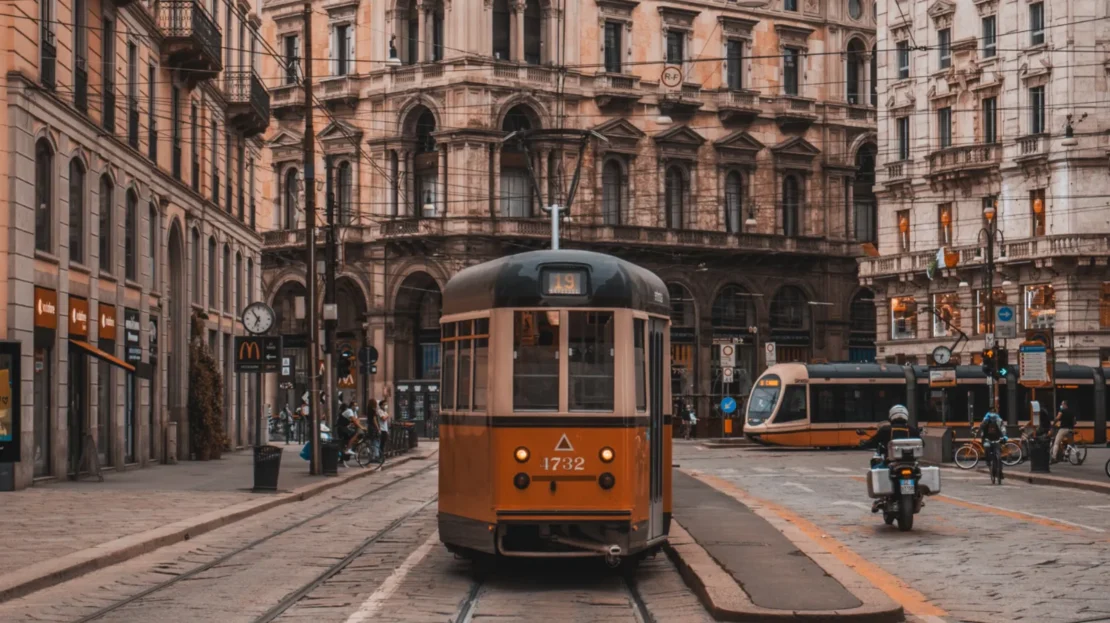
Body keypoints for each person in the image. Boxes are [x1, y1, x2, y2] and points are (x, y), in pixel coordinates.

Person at [979, 410, 1007, 477]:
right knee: (987, 448)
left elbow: (1003, 428)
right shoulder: (985, 421)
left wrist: (1004, 436)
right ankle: (988, 461)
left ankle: (1000, 471)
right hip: (987, 439)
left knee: (999, 455)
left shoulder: (999, 420)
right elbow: (982, 429)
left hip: (997, 439)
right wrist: (983, 437)